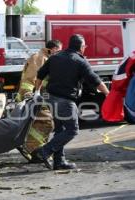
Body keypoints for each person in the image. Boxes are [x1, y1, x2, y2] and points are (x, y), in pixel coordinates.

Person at [33, 34, 109, 170]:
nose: (85, 48)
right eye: (84, 46)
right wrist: (108, 94)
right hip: (65, 100)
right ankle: (44, 151)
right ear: (81, 47)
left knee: (60, 129)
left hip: (51, 98)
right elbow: (95, 80)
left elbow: (40, 74)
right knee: (72, 130)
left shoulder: (55, 57)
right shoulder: (80, 61)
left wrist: (37, 92)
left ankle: (59, 162)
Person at [15, 40, 62, 163]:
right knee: (47, 122)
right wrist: (29, 95)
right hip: (32, 98)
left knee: (41, 124)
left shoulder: (47, 59)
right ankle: (33, 149)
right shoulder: (39, 58)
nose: (60, 53)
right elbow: (30, 79)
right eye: (59, 50)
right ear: (52, 49)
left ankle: (36, 149)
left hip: (40, 98)